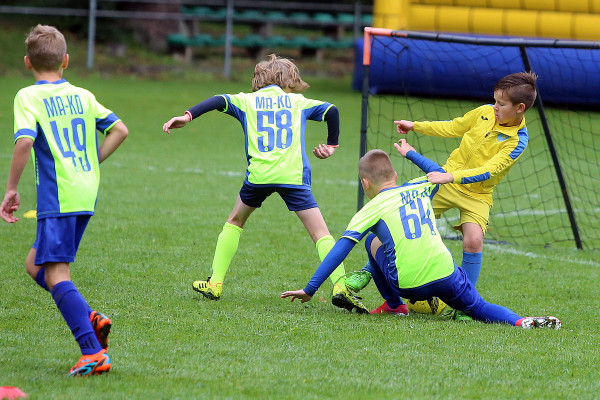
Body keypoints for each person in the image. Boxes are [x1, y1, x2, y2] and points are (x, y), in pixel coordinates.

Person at [162, 54, 367, 313]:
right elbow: (332, 110)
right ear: (288, 80)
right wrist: (332, 144)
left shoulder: (246, 101)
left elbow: (217, 100)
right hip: (293, 177)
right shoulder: (297, 102)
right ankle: (340, 286)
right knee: (320, 234)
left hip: (258, 176)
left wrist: (188, 116)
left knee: (235, 221)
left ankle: (215, 284)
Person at [281, 140, 561, 329]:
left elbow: (339, 250)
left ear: (365, 183)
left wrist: (310, 289)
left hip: (408, 285)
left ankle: (395, 306)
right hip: (446, 274)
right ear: (394, 175)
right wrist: (411, 154)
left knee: (371, 241)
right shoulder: (420, 186)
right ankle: (519, 321)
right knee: (478, 307)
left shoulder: (370, 208)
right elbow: (438, 172)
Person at [347, 72, 537, 321]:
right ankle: (369, 273)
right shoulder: (484, 112)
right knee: (395, 216)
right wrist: (416, 126)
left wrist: (451, 176)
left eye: (501, 104)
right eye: (494, 101)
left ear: (520, 108)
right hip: (446, 181)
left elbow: (489, 170)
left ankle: (464, 307)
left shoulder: (518, 141)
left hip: (476, 193)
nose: (494, 107)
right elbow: (454, 126)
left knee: (474, 240)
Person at [1, 25, 129, 376]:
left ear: (27, 62)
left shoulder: (28, 96)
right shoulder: (83, 95)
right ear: (66, 61)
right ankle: (90, 317)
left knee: (57, 273)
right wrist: (90, 162)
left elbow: (24, 141)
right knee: (34, 265)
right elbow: (119, 129)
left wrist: (11, 188)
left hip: (59, 193)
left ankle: (92, 352)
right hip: (85, 190)